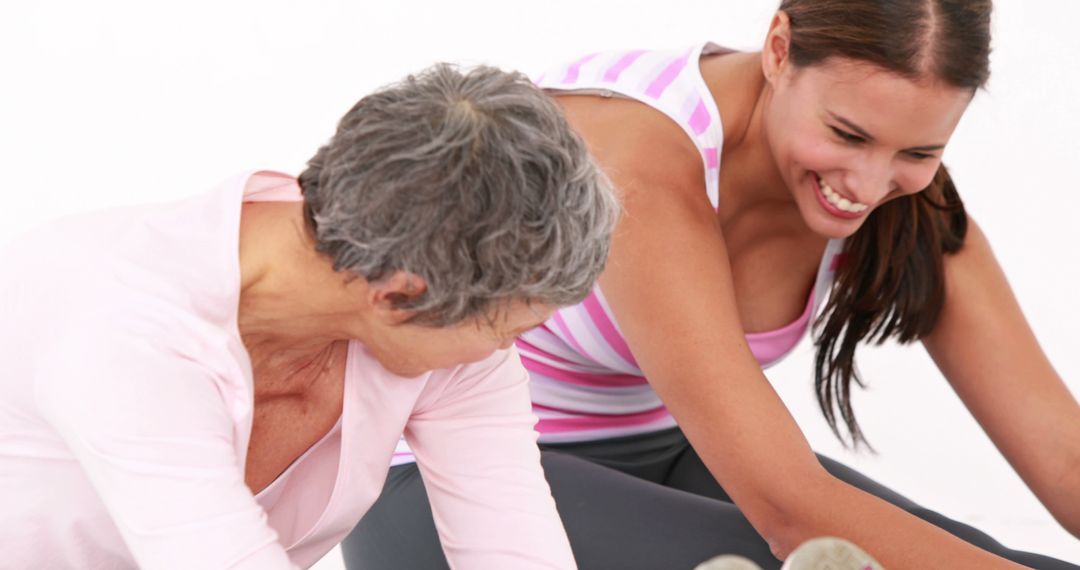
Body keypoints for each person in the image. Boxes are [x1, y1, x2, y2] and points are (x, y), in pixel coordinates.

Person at [343, 1, 1080, 569]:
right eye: (849, 135)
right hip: (443, 480)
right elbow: (791, 509)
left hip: (664, 460)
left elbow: (1065, 457)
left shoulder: (903, 203)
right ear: (780, 49)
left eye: (919, 149)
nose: (869, 184)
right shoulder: (640, 157)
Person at [0, 63, 619, 569]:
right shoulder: (125, 332)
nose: (505, 351)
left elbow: (514, 548)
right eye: (509, 329)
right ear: (399, 296)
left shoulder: (446, 331)